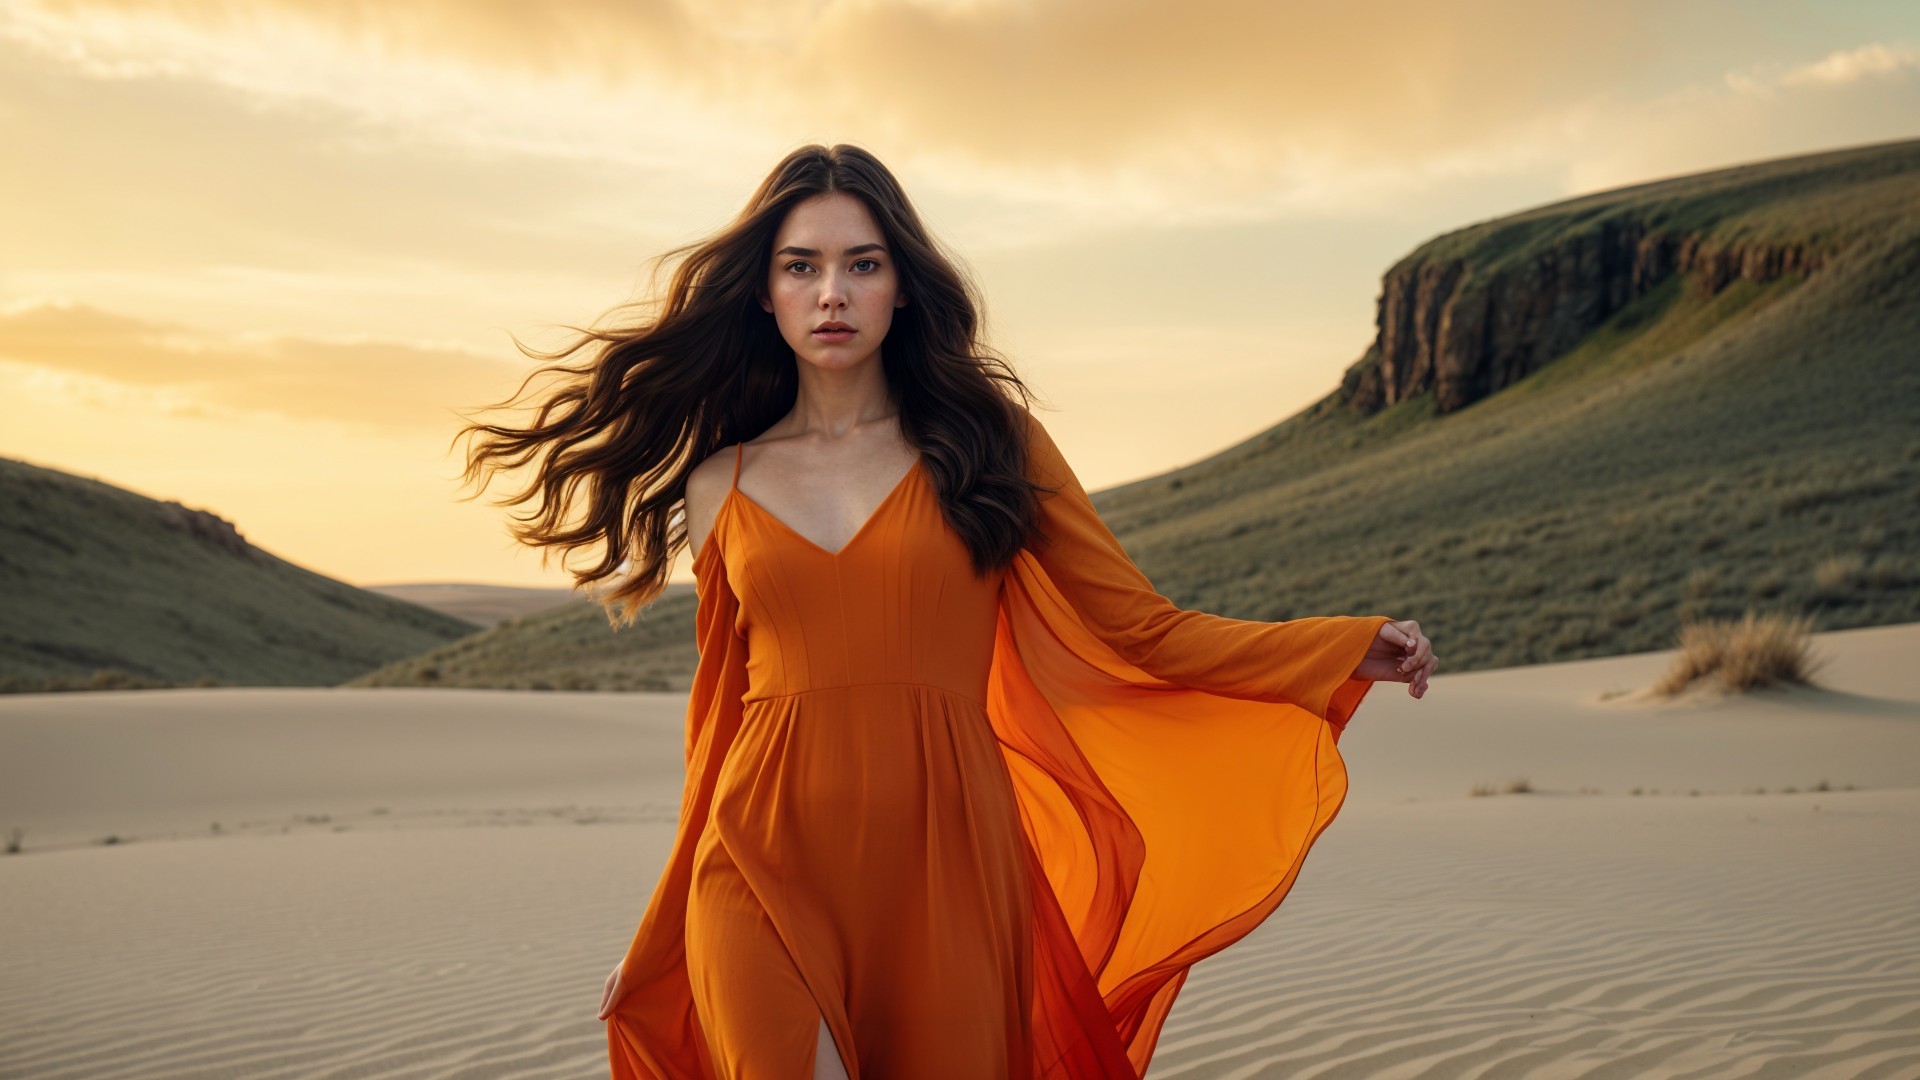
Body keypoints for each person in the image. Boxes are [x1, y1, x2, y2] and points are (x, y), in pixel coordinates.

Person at [455, 143, 1435, 1080]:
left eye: (861, 264)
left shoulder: (990, 444)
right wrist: (659, 934)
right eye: (802, 266)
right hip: (755, 865)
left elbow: (1142, 629)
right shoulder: (720, 484)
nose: (831, 292)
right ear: (765, 290)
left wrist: (1341, 649)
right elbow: (717, 726)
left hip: (949, 873)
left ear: (904, 284)